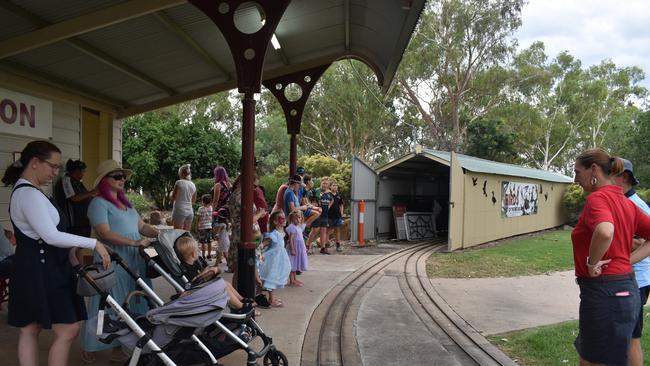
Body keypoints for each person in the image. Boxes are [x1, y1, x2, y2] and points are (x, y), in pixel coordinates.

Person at [1, 140, 110, 366]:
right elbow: (50, 236)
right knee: (58, 329)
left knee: (34, 328)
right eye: (53, 166)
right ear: (35, 162)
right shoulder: (28, 194)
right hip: (38, 269)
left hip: (43, 267)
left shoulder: (31, 192)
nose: (56, 172)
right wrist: (93, 243)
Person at [571, 149, 650, 366]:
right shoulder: (625, 202)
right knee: (598, 359)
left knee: (595, 362)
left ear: (593, 169)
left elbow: (605, 230)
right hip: (626, 290)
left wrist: (592, 262)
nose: (575, 179)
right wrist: (626, 259)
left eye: (578, 172)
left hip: (605, 292)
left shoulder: (597, 199)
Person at [82, 159, 160, 363]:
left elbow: (141, 226)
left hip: (134, 260)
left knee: (133, 299)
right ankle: (91, 344)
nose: (122, 179)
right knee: (106, 302)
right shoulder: (98, 203)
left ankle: (123, 344)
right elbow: (104, 233)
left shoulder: (127, 204)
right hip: (112, 258)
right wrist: (135, 242)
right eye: (117, 176)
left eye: (123, 176)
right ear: (104, 181)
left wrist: (158, 233)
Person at [615, 159, 650, 366]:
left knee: (631, 337)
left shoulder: (636, 204)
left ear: (624, 177)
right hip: (629, 278)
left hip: (637, 279)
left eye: (612, 174)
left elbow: (641, 242)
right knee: (624, 335)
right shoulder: (622, 202)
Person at [175, 236, 254, 314]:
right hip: (195, 293)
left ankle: (242, 299)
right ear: (193, 254)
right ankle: (240, 306)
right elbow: (193, 282)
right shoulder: (185, 268)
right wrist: (205, 273)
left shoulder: (194, 263)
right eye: (197, 250)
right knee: (223, 287)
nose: (198, 251)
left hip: (200, 288)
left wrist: (208, 270)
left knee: (225, 282)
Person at [53, 159, 96, 237]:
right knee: (73, 246)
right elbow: (74, 198)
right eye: (83, 171)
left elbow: (86, 196)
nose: (84, 174)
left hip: (82, 221)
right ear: (77, 171)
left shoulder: (77, 182)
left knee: (80, 245)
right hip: (73, 223)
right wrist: (92, 192)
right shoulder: (66, 180)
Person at [258, 211, 291, 307]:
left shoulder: (282, 233)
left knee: (273, 277)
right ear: (275, 222)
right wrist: (260, 249)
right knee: (271, 278)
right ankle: (271, 299)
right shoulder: (274, 234)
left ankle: (267, 297)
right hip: (272, 259)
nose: (284, 220)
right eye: (281, 218)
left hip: (279, 259)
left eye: (284, 217)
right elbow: (264, 243)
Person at [170, 164, 196, 230]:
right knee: (186, 234)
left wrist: (171, 194)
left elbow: (174, 197)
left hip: (179, 210)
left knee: (177, 233)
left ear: (181, 173)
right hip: (190, 211)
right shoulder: (193, 185)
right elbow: (193, 201)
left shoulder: (179, 182)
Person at [285, 210, 307, 286]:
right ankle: (291, 280)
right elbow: (291, 239)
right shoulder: (292, 227)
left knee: (295, 263)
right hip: (294, 248)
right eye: (295, 218)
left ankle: (294, 279)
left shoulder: (299, 227)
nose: (298, 220)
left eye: (299, 218)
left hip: (299, 248)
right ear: (291, 219)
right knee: (292, 263)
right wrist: (292, 249)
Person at [328, 180, 345, 252]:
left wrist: (341, 212)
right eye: (333, 185)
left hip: (337, 216)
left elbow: (341, 204)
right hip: (330, 216)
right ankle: (325, 245)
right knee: (329, 230)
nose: (335, 187)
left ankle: (338, 245)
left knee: (337, 230)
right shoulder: (328, 195)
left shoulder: (338, 195)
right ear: (330, 187)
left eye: (336, 185)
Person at [196, 194, 214, 259]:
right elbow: (211, 216)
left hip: (202, 227)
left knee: (203, 242)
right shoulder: (211, 208)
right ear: (210, 202)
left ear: (202, 201)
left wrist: (197, 226)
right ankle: (209, 255)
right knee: (209, 241)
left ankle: (203, 255)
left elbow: (198, 218)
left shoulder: (200, 209)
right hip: (209, 226)